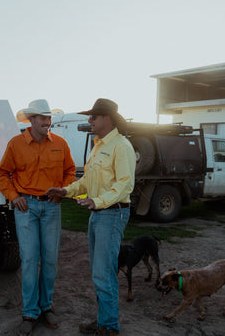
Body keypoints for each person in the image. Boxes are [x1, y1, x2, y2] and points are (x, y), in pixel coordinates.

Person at [46, 98, 136, 336]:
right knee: (99, 272)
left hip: (111, 214)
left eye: (93, 116)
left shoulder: (121, 146)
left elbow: (125, 186)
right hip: (98, 215)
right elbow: (87, 182)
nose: (90, 120)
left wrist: (97, 201)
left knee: (103, 272)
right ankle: (105, 320)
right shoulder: (98, 146)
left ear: (107, 118)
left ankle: (109, 327)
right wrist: (66, 191)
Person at [0, 99, 76, 336]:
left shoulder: (60, 143)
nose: (47, 121)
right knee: (30, 260)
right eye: (43, 118)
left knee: (49, 260)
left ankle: (46, 306)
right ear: (31, 120)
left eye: (49, 117)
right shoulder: (16, 144)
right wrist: (13, 196)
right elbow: (2, 173)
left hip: (52, 206)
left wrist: (64, 191)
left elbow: (70, 171)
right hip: (25, 208)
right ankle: (30, 313)